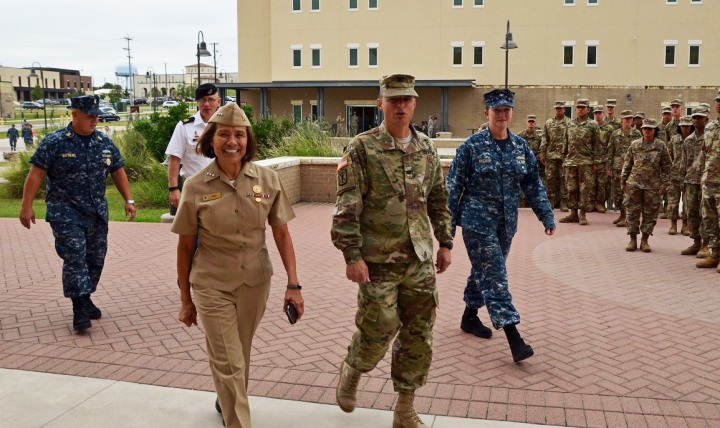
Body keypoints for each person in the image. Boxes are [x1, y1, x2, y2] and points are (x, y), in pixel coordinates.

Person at [171, 102, 304, 428]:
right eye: (224, 135)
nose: (232, 141)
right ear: (210, 140)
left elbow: (282, 235)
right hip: (211, 283)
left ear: (248, 140)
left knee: (239, 352)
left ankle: (227, 395)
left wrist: (293, 284)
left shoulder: (267, 179)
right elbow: (185, 247)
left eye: (239, 135)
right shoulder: (196, 186)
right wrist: (186, 299)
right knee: (229, 362)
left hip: (256, 282)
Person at [331, 74, 452, 428]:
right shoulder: (361, 147)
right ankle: (354, 368)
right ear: (381, 103)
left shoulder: (427, 148)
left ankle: (404, 409)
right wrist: (351, 255)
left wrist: (445, 242)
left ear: (414, 104)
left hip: (420, 259)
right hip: (378, 261)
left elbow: (439, 200)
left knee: (419, 334)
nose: (401, 106)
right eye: (393, 100)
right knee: (379, 326)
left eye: (407, 100)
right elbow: (346, 205)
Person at [447, 89, 555, 363]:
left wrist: (546, 215)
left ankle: (469, 317)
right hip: (476, 222)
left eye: (507, 110)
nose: (503, 115)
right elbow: (453, 188)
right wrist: (446, 231)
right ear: (487, 113)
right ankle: (513, 336)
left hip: (506, 224)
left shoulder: (521, 147)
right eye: (497, 110)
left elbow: (533, 184)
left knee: (484, 270)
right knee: (495, 275)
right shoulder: (471, 147)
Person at [19, 95, 136, 331]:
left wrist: (129, 199)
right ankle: (79, 309)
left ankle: (85, 296)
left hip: (96, 213)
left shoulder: (104, 142)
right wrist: (26, 205)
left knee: (96, 259)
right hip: (65, 211)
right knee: (75, 258)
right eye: (89, 116)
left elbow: (118, 170)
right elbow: (35, 174)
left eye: (97, 116)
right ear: (74, 114)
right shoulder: (55, 142)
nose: (95, 119)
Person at [166, 83, 220, 215]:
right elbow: (174, 158)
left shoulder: (226, 124)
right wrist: (173, 189)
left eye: (211, 100)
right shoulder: (184, 126)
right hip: (194, 189)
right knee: (192, 233)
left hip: (222, 188)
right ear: (197, 102)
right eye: (202, 100)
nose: (206, 104)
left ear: (218, 101)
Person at [620, 118, 671, 252]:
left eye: (650, 128)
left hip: (652, 185)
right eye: (644, 128)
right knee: (632, 212)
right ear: (641, 130)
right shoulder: (635, 145)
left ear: (654, 130)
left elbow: (667, 167)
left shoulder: (661, 146)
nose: (647, 131)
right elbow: (627, 164)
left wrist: (664, 184)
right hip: (634, 184)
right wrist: (623, 181)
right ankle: (632, 239)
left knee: (650, 214)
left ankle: (645, 240)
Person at [560, 99, 599, 226]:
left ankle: (582, 214)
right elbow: (565, 143)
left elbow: (597, 145)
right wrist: (564, 159)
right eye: (578, 107)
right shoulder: (570, 124)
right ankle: (573, 213)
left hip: (586, 161)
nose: (580, 109)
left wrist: (595, 162)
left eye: (583, 107)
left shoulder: (593, 125)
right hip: (571, 162)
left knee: (584, 189)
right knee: (571, 189)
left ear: (588, 109)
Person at [680, 107, 710, 257]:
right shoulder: (688, 140)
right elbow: (683, 162)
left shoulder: (711, 138)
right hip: (691, 181)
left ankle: (706, 244)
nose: (697, 120)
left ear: (707, 119)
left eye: (700, 117)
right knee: (691, 212)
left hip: (707, 182)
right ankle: (696, 242)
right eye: (695, 117)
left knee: (705, 212)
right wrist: (681, 181)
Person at [606, 110, 642, 227]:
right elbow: (610, 151)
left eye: (630, 119)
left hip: (632, 169)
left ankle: (627, 217)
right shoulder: (615, 134)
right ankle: (622, 214)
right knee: (617, 193)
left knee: (630, 193)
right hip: (617, 168)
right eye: (626, 119)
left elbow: (641, 151)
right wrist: (608, 167)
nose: (628, 121)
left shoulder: (637, 134)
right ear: (621, 120)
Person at [698, 111, 720, 270]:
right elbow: (704, 153)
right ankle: (715, 254)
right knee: (709, 218)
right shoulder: (710, 126)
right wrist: (702, 176)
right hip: (709, 180)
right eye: (718, 101)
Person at [539, 101, 571, 212]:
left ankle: (564, 202)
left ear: (564, 110)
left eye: (560, 109)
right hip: (551, 155)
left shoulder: (569, 123)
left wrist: (570, 154)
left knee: (564, 179)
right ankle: (550, 200)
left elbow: (571, 140)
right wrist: (542, 152)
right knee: (549, 178)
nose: (558, 110)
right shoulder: (549, 123)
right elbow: (544, 138)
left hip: (564, 156)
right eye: (557, 109)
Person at [666, 116, 693, 235]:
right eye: (682, 126)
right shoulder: (674, 139)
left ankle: (685, 225)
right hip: (675, 175)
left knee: (687, 201)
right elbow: (668, 156)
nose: (684, 128)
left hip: (690, 175)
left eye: (687, 126)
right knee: (673, 201)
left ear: (691, 127)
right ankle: (673, 224)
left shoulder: (694, 139)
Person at [592, 105, 612, 213]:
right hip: (592, 160)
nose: (597, 115)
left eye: (599, 113)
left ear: (603, 114)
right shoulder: (590, 126)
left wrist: (609, 162)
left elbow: (611, 145)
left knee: (602, 183)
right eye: (596, 113)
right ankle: (591, 203)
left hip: (604, 160)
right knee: (590, 183)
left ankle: (599, 203)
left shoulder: (609, 128)